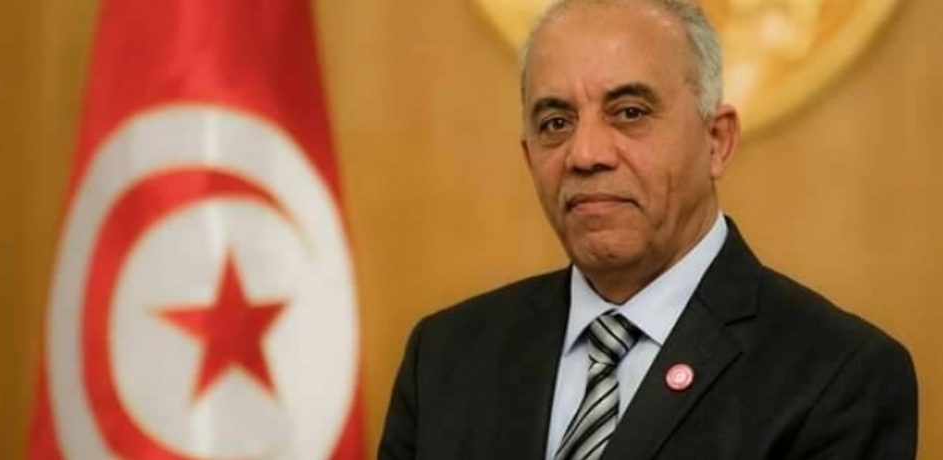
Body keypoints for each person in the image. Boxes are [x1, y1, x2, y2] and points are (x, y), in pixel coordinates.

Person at [378, 0, 919, 458]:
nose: (585, 154)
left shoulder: (840, 377)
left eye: (630, 112)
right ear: (529, 157)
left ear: (716, 141)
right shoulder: (446, 358)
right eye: (556, 123)